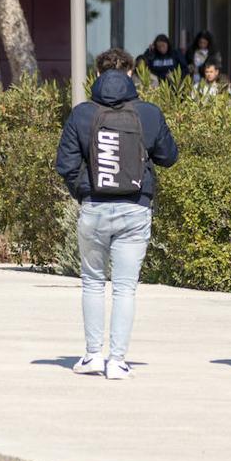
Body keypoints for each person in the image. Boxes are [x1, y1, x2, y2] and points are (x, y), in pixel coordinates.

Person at [55, 47, 179, 380]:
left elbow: (65, 165)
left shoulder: (82, 114)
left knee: (93, 284)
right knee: (125, 288)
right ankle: (118, 361)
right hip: (135, 208)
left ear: (97, 75)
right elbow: (169, 157)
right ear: (130, 74)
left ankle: (93, 355)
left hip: (94, 208)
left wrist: (85, 191)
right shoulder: (148, 114)